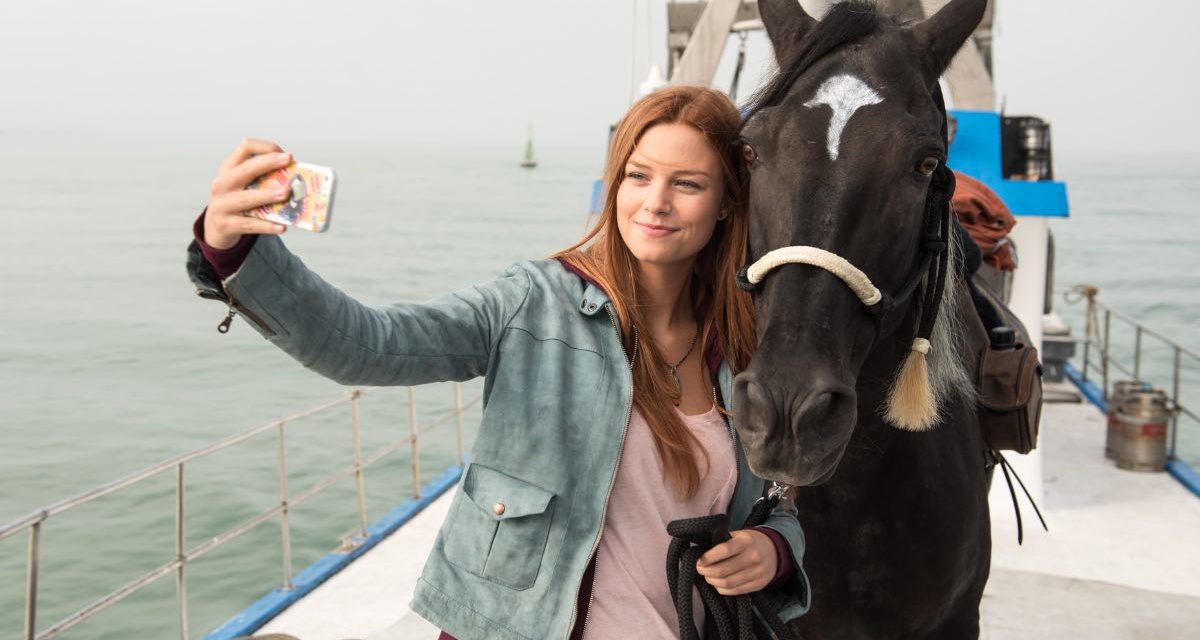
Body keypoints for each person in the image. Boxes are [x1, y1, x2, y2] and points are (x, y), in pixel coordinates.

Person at [186, 85, 810, 639]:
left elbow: (777, 502)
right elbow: (365, 345)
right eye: (638, 176)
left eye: (688, 184)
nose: (656, 202)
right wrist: (234, 251)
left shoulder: (746, 342)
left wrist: (774, 549)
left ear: (726, 202)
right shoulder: (533, 302)